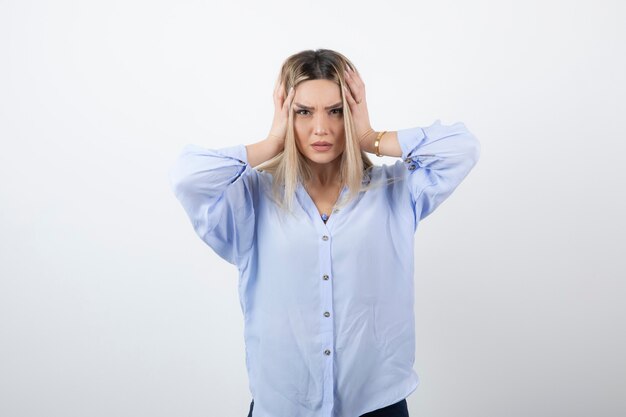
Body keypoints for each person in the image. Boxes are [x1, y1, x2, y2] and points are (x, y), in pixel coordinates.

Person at [168, 49, 481, 417]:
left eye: (336, 111)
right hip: (282, 408)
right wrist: (272, 142)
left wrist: (369, 137)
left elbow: (462, 148)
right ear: (286, 113)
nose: (321, 128)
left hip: (377, 406)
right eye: (303, 112)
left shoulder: (396, 190)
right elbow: (187, 177)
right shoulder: (251, 199)